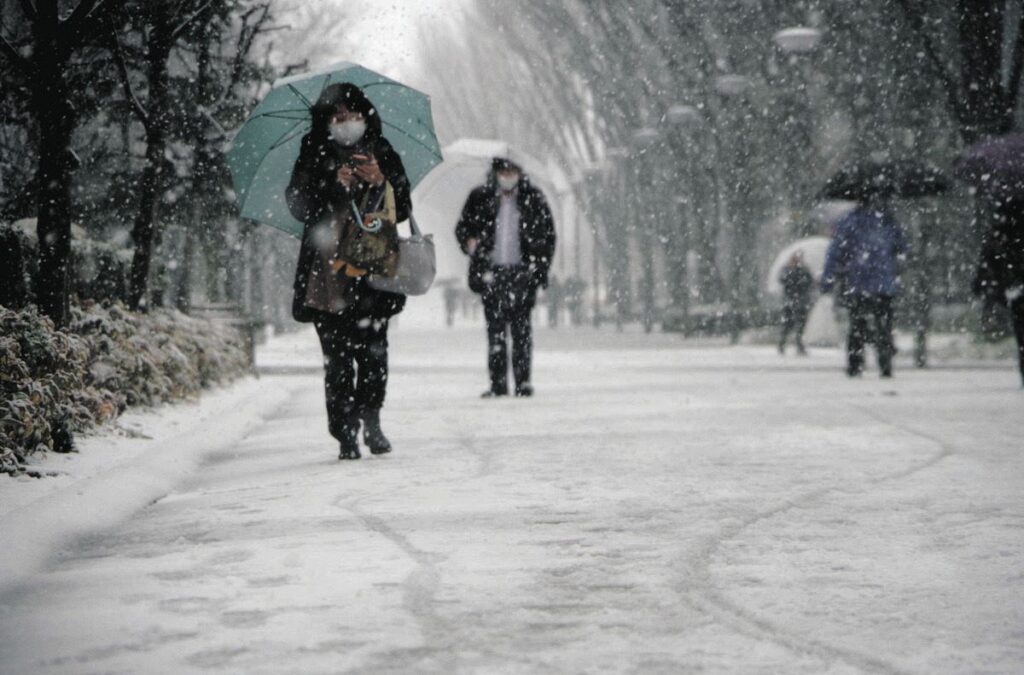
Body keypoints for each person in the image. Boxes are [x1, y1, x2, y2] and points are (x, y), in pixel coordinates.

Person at [286, 82, 411, 460]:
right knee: (337, 359)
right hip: (327, 274)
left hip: (373, 267)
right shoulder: (313, 151)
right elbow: (297, 204)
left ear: (365, 116)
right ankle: (344, 433)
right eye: (338, 116)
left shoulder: (382, 151)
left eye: (352, 115)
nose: (346, 122)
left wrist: (380, 181)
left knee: (374, 353)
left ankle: (372, 420)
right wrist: (330, 185)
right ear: (326, 121)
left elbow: (403, 207)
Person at [456, 157, 556, 397]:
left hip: (523, 272)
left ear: (521, 172)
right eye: (504, 171)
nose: (508, 175)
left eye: (513, 170)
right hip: (492, 273)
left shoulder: (534, 199)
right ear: (496, 173)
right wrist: (471, 243)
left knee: (522, 332)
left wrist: (539, 268)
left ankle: (523, 382)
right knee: (496, 332)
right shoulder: (480, 198)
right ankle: (498, 384)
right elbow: (463, 228)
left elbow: (548, 236)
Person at [821, 195, 909, 377]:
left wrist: (828, 280)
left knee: (857, 323)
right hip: (884, 283)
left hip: (858, 282)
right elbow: (902, 248)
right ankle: (885, 363)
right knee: (884, 323)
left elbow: (835, 252)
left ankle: (855, 364)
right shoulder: (887, 221)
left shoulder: (849, 222)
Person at [973, 195, 1024, 387]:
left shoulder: (1002, 227)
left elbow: (991, 255)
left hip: (1013, 285)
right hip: (1014, 283)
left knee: (1020, 330)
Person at [778, 250, 814, 355]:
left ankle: (798, 344)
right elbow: (784, 280)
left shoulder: (804, 270)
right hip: (790, 301)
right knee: (788, 324)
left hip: (800, 301)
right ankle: (783, 343)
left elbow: (808, 282)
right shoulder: (787, 270)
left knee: (800, 325)